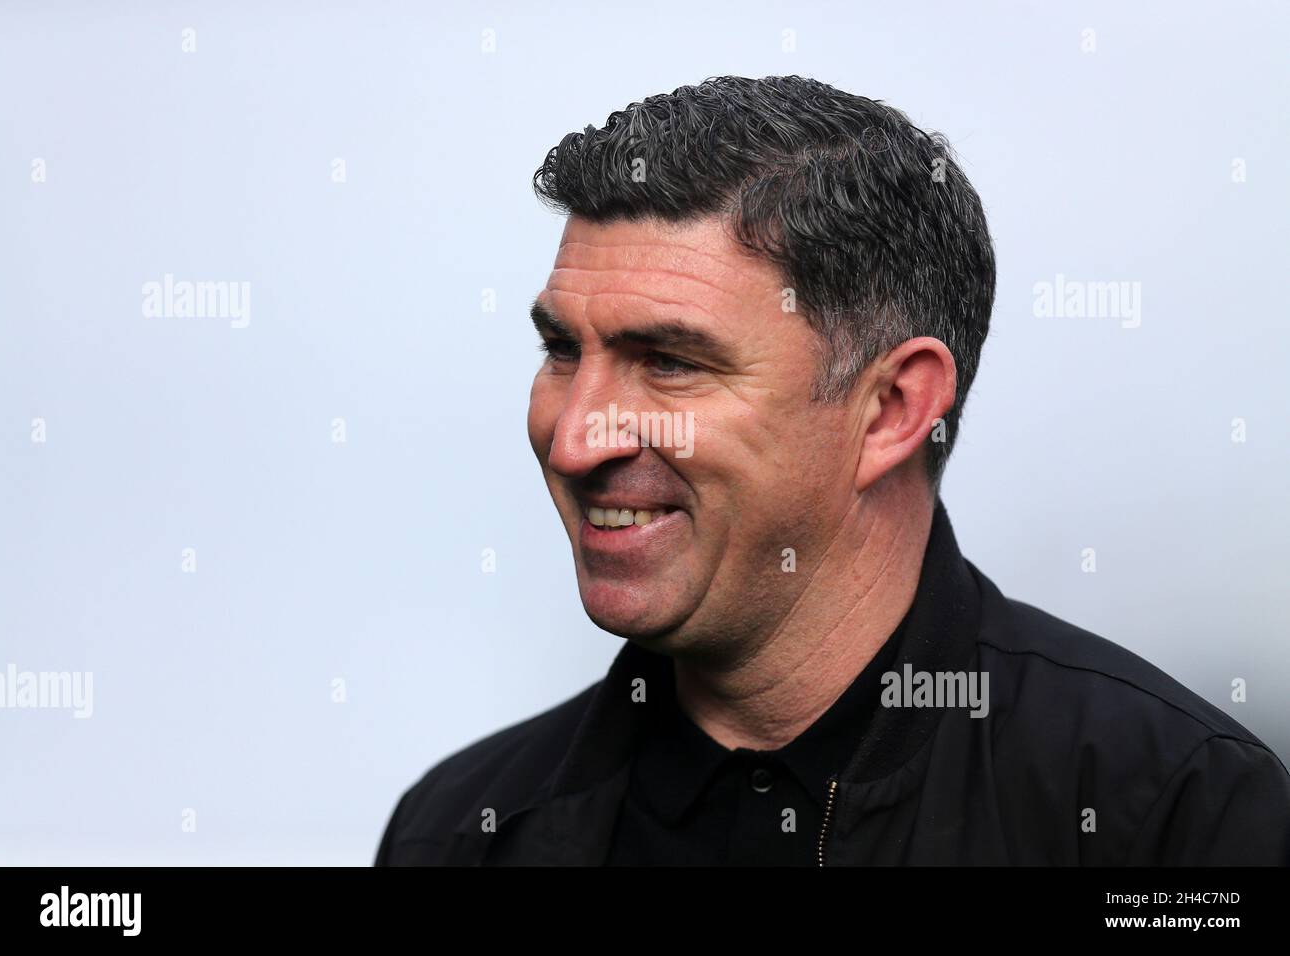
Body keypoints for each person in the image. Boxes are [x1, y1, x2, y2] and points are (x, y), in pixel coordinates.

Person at [376, 75, 1290, 865]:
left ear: (893, 409)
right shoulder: (458, 833)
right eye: (562, 350)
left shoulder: (1178, 816)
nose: (576, 440)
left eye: (671, 362)